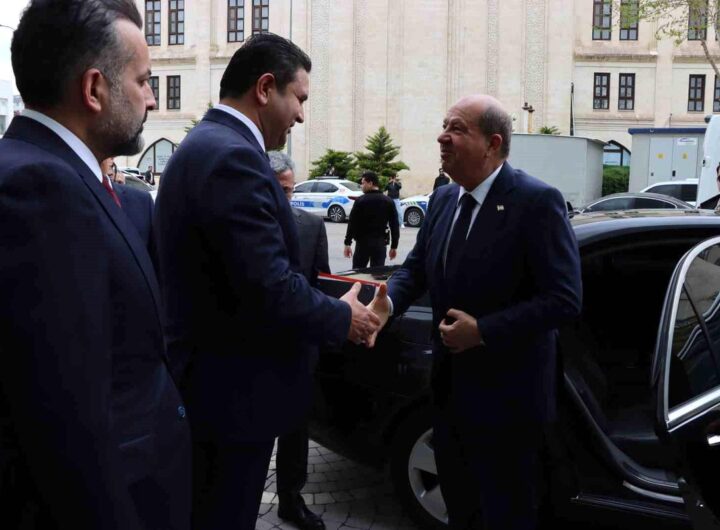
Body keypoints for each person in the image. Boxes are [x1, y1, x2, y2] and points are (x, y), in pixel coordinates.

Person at [153, 33, 381, 530]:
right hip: (232, 400)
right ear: (264, 88)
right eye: (299, 98)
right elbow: (269, 288)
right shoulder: (233, 158)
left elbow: (239, 273)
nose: (301, 115)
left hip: (211, 389)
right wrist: (344, 316)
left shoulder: (206, 145)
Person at [0, 1, 191, 529]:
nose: (151, 99)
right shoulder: (42, 187)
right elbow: (66, 421)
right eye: (143, 81)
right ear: (93, 89)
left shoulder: (52, 172)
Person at [372, 95, 582, 530]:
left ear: (492, 143)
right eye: (443, 125)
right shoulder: (443, 199)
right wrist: (386, 303)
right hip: (450, 396)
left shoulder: (537, 202)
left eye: (457, 128)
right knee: (461, 509)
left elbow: (564, 299)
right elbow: (416, 269)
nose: (442, 137)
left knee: (507, 514)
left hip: (511, 404)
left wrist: (483, 330)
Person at [269, 150, 328, 530]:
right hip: (250, 349)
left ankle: (291, 499)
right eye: (276, 189)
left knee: (295, 430)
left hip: (296, 348)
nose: (283, 198)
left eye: (288, 191)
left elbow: (320, 284)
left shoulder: (311, 225)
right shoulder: (238, 223)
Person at [343, 171, 400, 269]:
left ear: (370, 183)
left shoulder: (360, 201)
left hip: (362, 244)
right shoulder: (388, 201)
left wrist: (347, 243)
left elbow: (352, 223)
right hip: (380, 244)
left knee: (358, 273)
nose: (361, 186)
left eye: (363, 183)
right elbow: (394, 225)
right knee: (377, 274)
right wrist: (394, 246)